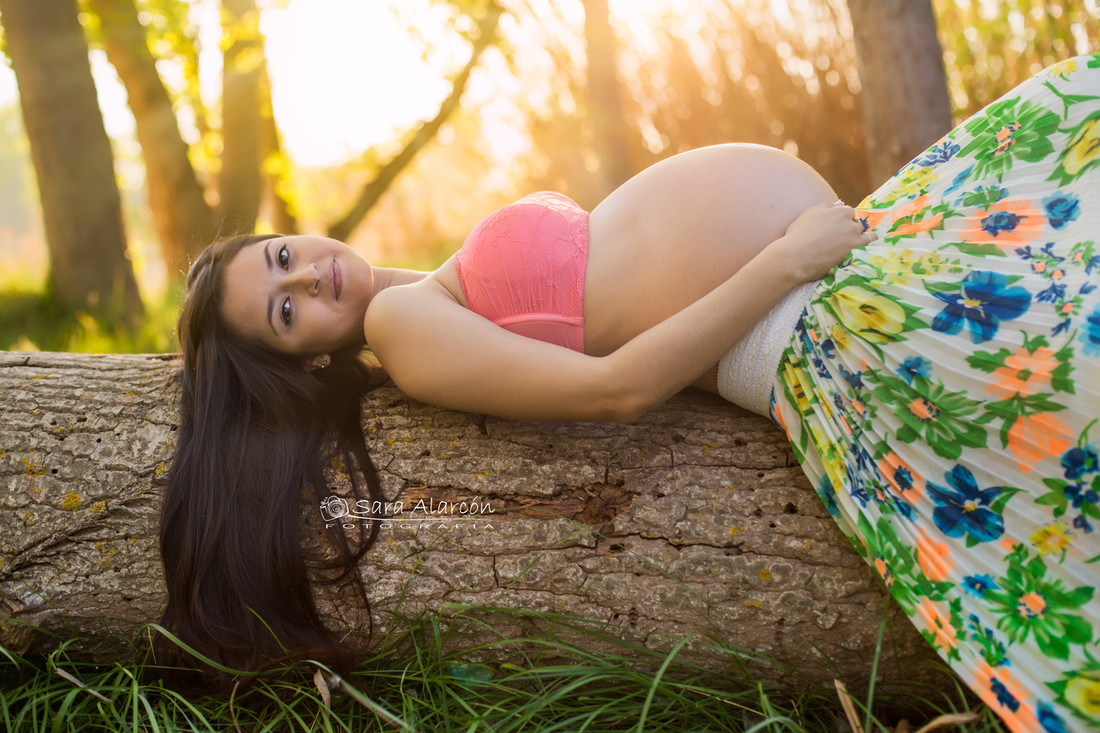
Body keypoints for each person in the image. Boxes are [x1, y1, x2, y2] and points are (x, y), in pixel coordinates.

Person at [160, 54, 1099, 730]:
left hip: (832, 275)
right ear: (307, 362)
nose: (306, 279)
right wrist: (783, 258)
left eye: (281, 257)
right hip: (813, 320)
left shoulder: (412, 294)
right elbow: (613, 389)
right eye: (285, 313)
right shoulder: (405, 330)